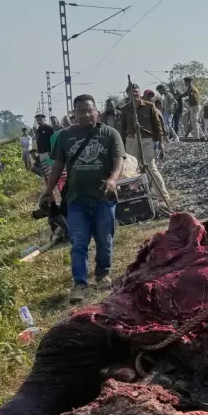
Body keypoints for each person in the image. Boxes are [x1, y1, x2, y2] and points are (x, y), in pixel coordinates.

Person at [39, 93, 127, 292]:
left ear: (97, 112)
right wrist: (48, 190)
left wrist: (113, 180)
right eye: (81, 111)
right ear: (74, 114)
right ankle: (80, 283)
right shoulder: (64, 136)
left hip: (104, 198)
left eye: (89, 110)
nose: (86, 115)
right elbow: (57, 166)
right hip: (76, 199)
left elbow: (119, 161)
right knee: (79, 242)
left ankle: (103, 273)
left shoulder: (110, 134)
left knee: (105, 240)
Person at [122, 87, 172, 206]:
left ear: (139, 93)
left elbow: (157, 126)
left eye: (136, 92)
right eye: (131, 92)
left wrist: (161, 143)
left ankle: (163, 197)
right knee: (131, 170)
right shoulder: (125, 109)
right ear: (128, 94)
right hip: (131, 140)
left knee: (151, 168)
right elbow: (122, 128)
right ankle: (136, 197)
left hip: (146, 140)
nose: (134, 94)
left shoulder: (149, 107)